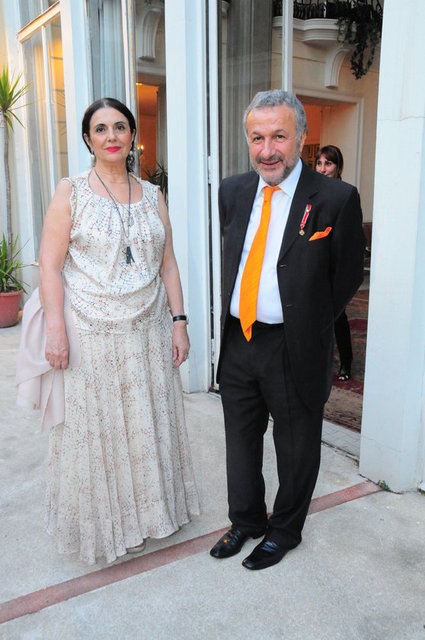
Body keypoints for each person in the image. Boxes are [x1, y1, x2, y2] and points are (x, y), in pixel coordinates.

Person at [30, 97, 199, 564]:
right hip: (91, 332)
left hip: (148, 329)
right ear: (88, 139)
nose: (111, 136)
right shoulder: (71, 192)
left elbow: (168, 265)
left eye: (120, 127)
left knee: (147, 421)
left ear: (132, 136)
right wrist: (56, 330)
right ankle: (107, 526)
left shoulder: (153, 194)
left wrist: (180, 323)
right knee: (99, 430)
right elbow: (49, 265)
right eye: (101, 128)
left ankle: (150, 515)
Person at [209, 90, 365, 570]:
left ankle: (284, 530)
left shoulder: (336, 198)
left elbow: (347, 275)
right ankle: (247, 520)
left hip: (294, 344)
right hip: (239, 338)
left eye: (279, 136)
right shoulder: (232, 191)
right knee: (240, 440)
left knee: (296, 447)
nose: (267, 150)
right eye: (257, 138)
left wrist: (309, 323)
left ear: (301, 136)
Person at [315, 144, 353, 381]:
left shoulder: (346, 194)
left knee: (338, 316)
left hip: (336, 266)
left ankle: (346, 362)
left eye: (328, 163)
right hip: (315, 263)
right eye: (319, 163)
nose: (322, 169)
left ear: (338, 167)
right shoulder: (311, 193)